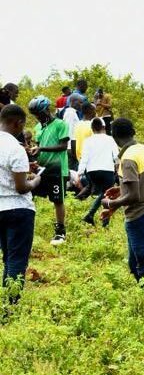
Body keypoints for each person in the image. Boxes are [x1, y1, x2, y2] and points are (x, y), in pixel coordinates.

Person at [101, 118, 144, 282]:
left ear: (113, 136)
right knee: (134, 263)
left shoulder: (128, 159)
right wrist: (122, 189)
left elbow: (134, 196)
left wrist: (110, 203)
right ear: (133, 132)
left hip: (139, 215)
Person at [0, 104, 41, 295]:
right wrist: (36, 180)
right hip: (18, 209)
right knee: (17, 258)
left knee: (8, 256)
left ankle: (6, 301)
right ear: (18, 123)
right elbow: (21, 187)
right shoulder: (15, 149)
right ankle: (12, 304)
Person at [27, 96, 69, 245]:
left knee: (58, 200)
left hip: (57, 169)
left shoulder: (60, 124)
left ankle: (60, 232)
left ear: (46, 109)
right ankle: (26, 227)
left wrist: (41, 148)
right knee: (29, 194)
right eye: (35, 115)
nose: (38, 117)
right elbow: (38, 147)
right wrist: (33, 152)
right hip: (41, 169)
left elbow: (63, 146)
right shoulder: (38, 127)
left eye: (39, 113)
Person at [77, 118, 119, 226]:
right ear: (104, 127)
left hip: (92, 172)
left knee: (103, 193)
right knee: (107, 194)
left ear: (92, 128)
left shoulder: (88, 140)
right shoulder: (110, 139)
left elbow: (84, 158)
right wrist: (117, 167)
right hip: (107, 171)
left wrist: (80, 173)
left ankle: (92, 216)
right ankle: (100, 219)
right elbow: (116, 156)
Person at [69, 102, 95, 172]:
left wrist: (76, 158)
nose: (95, 112)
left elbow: (73, 142)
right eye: (93, 110)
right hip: (91, 161)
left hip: (80, 160)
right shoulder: (92, 125)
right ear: (90, 110)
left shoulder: (77, 124)